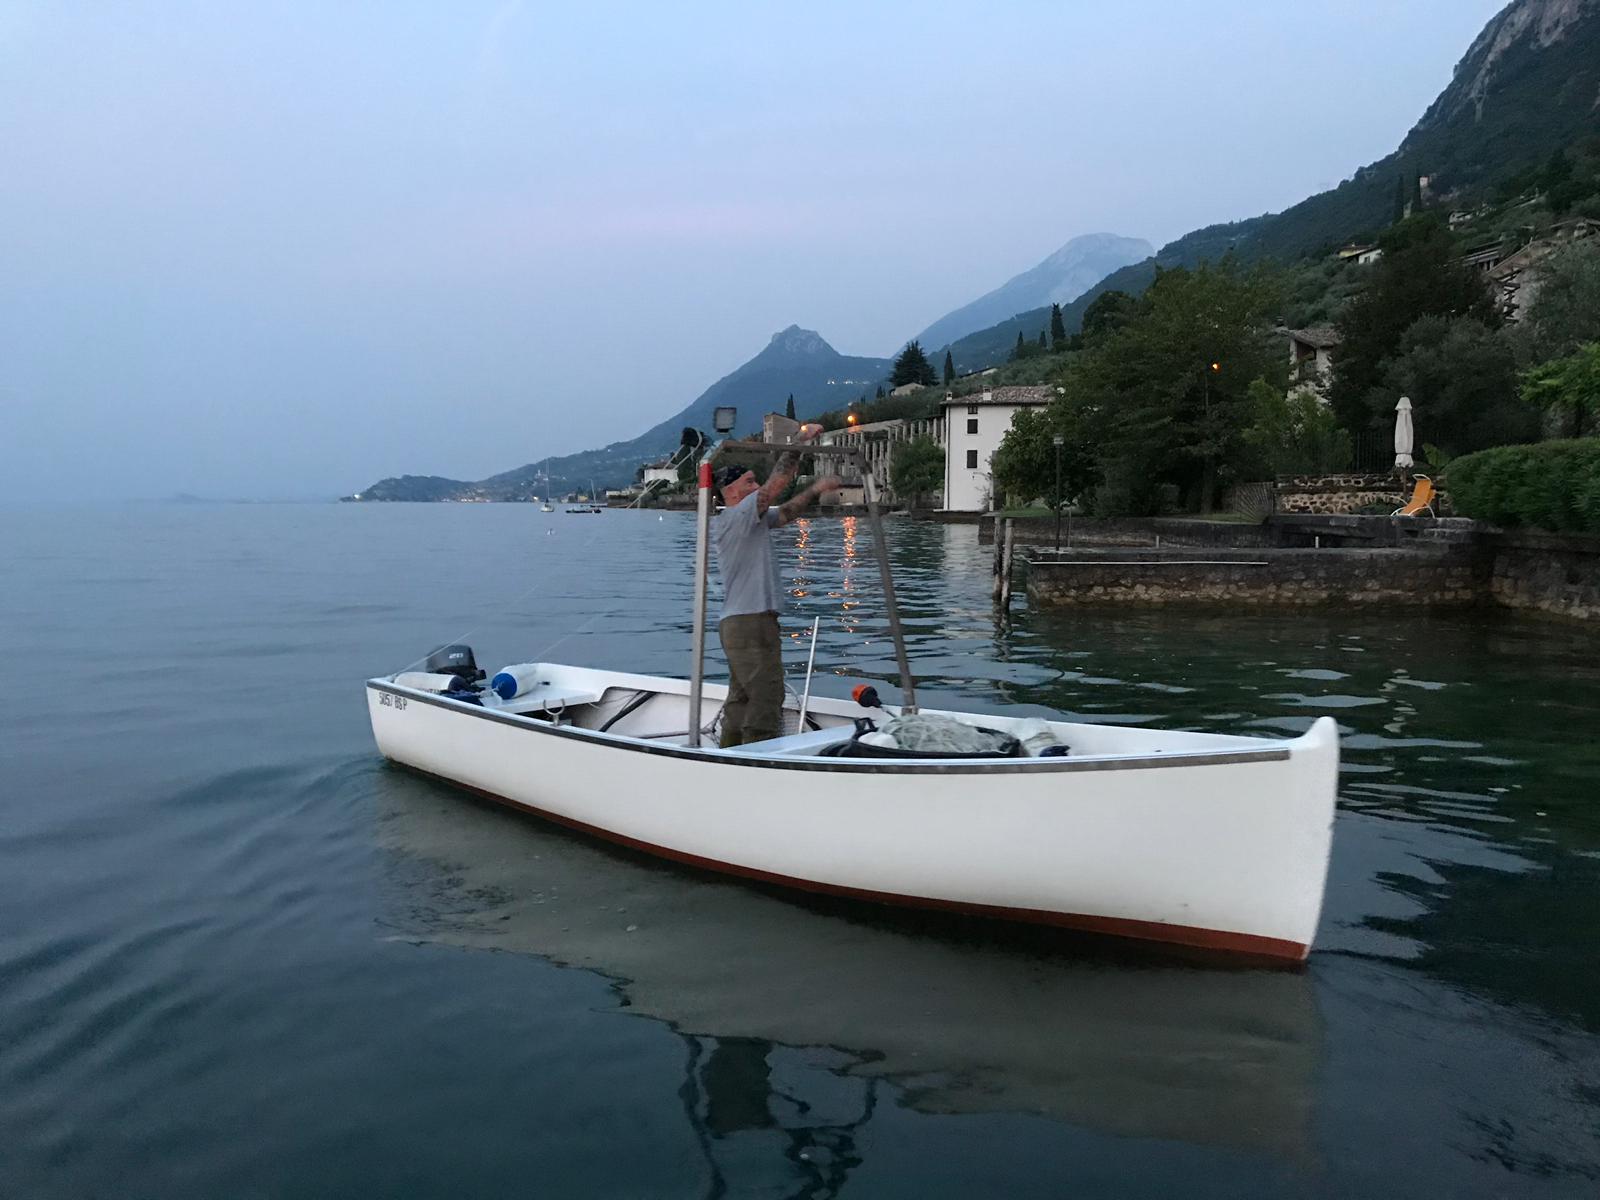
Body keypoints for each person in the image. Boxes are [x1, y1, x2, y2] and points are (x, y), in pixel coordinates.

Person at [711, 427, 841, 748]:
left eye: (755, 482)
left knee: (742, 698)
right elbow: (775, 487)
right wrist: (799, 443)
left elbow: (784, 513)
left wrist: (814, 491)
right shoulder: (736, 516)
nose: (756, 488)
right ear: (731, 493)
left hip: (743, 622)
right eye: (749, 483)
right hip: (750, 622)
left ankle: (731, 755)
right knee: (767, 696)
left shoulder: (748, 519)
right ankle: (762, 757)